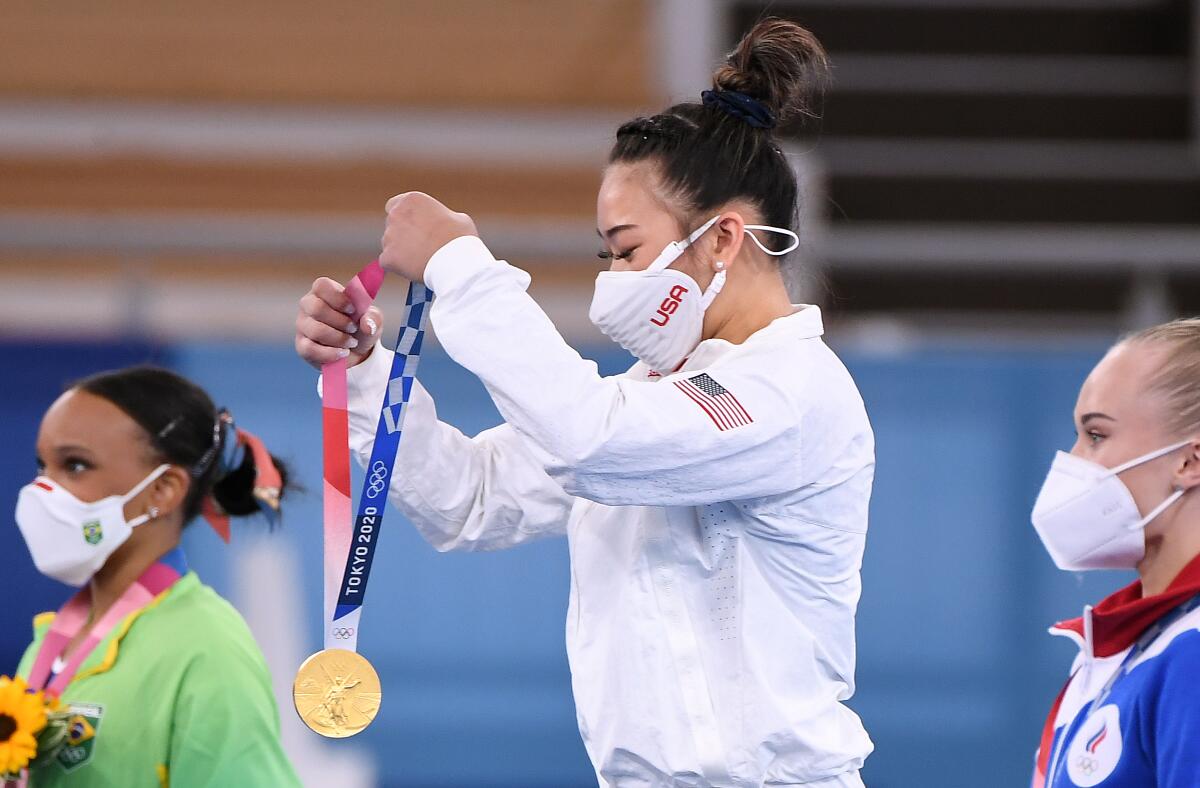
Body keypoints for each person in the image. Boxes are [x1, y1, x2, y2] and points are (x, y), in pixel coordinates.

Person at [297, 18, 875, 788]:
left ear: (723, 238)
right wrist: (366, 370)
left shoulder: (792, 391)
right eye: (607, 254)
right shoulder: (648, 394)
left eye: (628, 248)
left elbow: (589, 441)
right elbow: (469, 498)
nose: (614, 278)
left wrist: (461, 268)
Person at [9, 366, 301, 787]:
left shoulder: (206, 646)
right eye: (43, 466)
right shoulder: (48, 645)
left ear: (162, 490)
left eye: (74, 466)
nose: (41, 491)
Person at [1030, 319, 1200, 787]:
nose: (1072, 461)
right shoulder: (1114, 653)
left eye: (1096, 436)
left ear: (1189, 461)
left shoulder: (1191, 654)